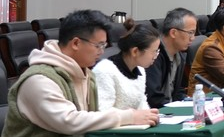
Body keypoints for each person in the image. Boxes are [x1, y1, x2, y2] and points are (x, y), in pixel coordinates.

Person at [4, 9, 160, 135]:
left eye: (104, 46)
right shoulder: (39, 80)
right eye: (98, 45)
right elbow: (69, 121)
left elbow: (92, 119)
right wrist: (128, 116)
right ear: (76, 43)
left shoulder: (86, 74)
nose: (102, 52)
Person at [93, 19, 159, 111]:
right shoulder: (105, 70)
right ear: (135, 51)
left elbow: (141, 103)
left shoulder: (140, 70)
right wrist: (133, 116)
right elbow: (103, 110)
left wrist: (149, 114)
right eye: (154, 51)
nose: (156, 56)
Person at [145, 7, 197, 108]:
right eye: (190, 33)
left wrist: (188, 101)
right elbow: (153, 98)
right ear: (173, 33)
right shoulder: (153, 56)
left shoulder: (179, 56)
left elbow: (178, 91)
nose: (193, 38)